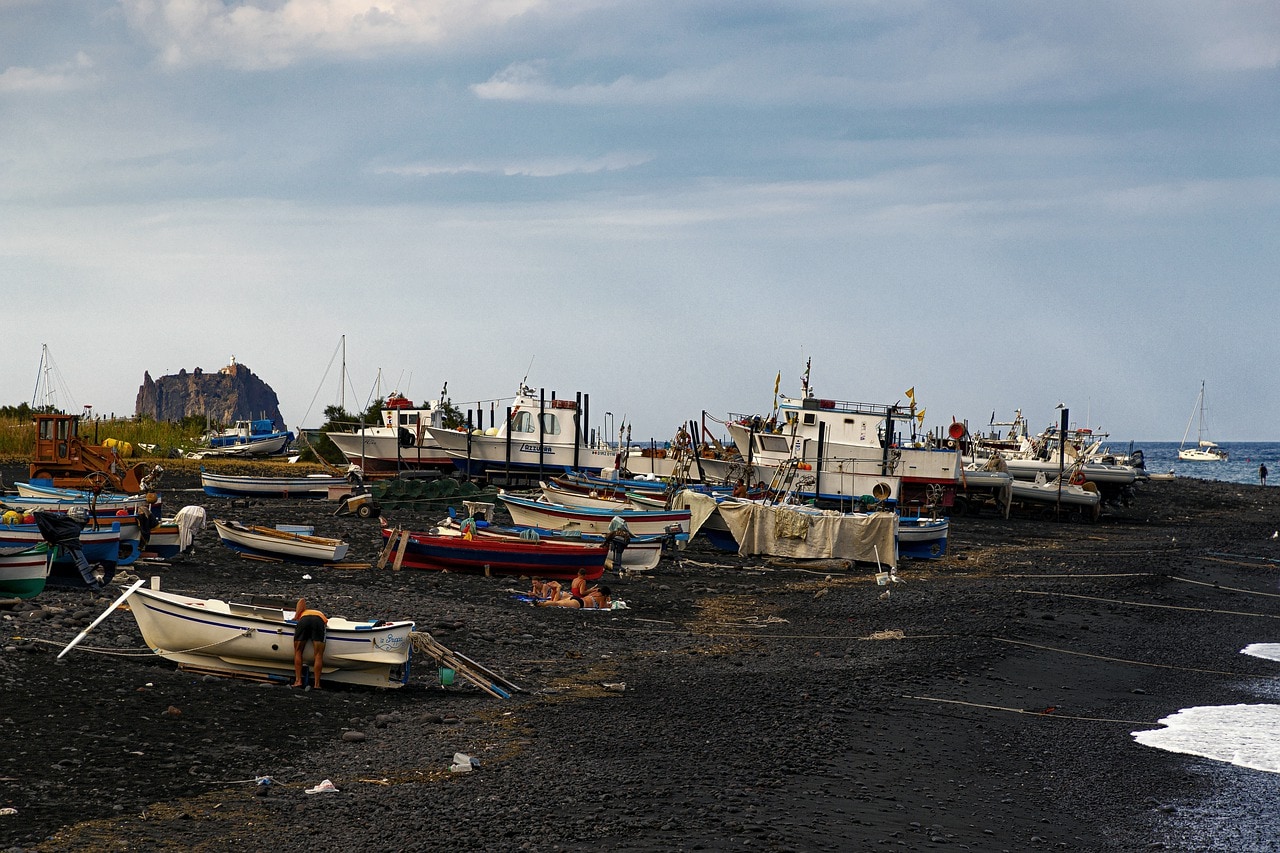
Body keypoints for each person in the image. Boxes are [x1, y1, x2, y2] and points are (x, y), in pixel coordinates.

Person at [291, 598, 328, 689]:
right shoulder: (320, 614)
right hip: (318, 621)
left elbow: (301, 600)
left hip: (304, 621)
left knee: (298, 651)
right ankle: (317, 684)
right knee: (318, 655)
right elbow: (326, 624)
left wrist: (295, 617)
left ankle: (298, 681)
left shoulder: (302, 613)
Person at [538, 585, 612, 609]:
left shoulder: (594, 593)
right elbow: (602, 608)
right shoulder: (602, 598)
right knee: (557, 604)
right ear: (606, 595)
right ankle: (542, 604)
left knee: (556, 602)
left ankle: (541, 603)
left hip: (576, 598)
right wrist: (608, 605)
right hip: (580, 603)